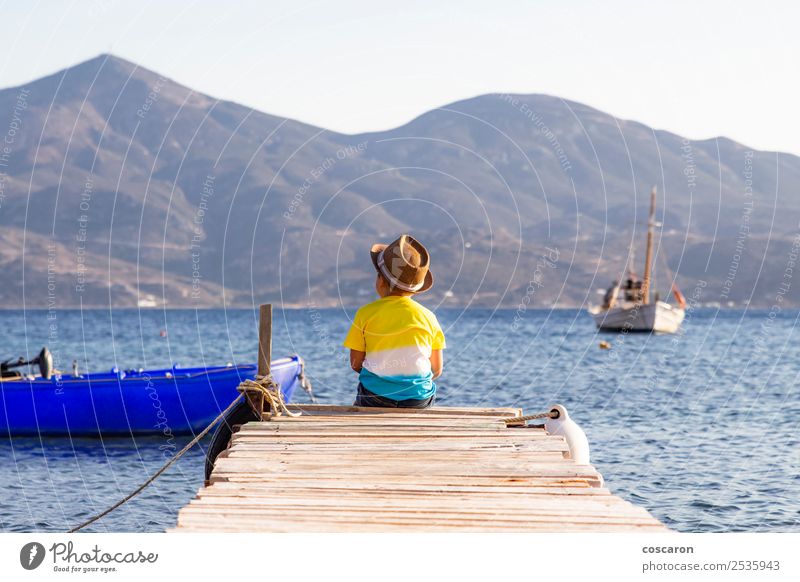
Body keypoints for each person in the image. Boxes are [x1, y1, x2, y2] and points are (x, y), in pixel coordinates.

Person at [343, 234, 445, 408]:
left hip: (375, 397)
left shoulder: (366, 313)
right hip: (418, 400)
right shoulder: (429, 317)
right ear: (417, 289)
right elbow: (436, 369)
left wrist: (383, 376)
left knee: (361, 398)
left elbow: (355, 364)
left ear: (381, 280)